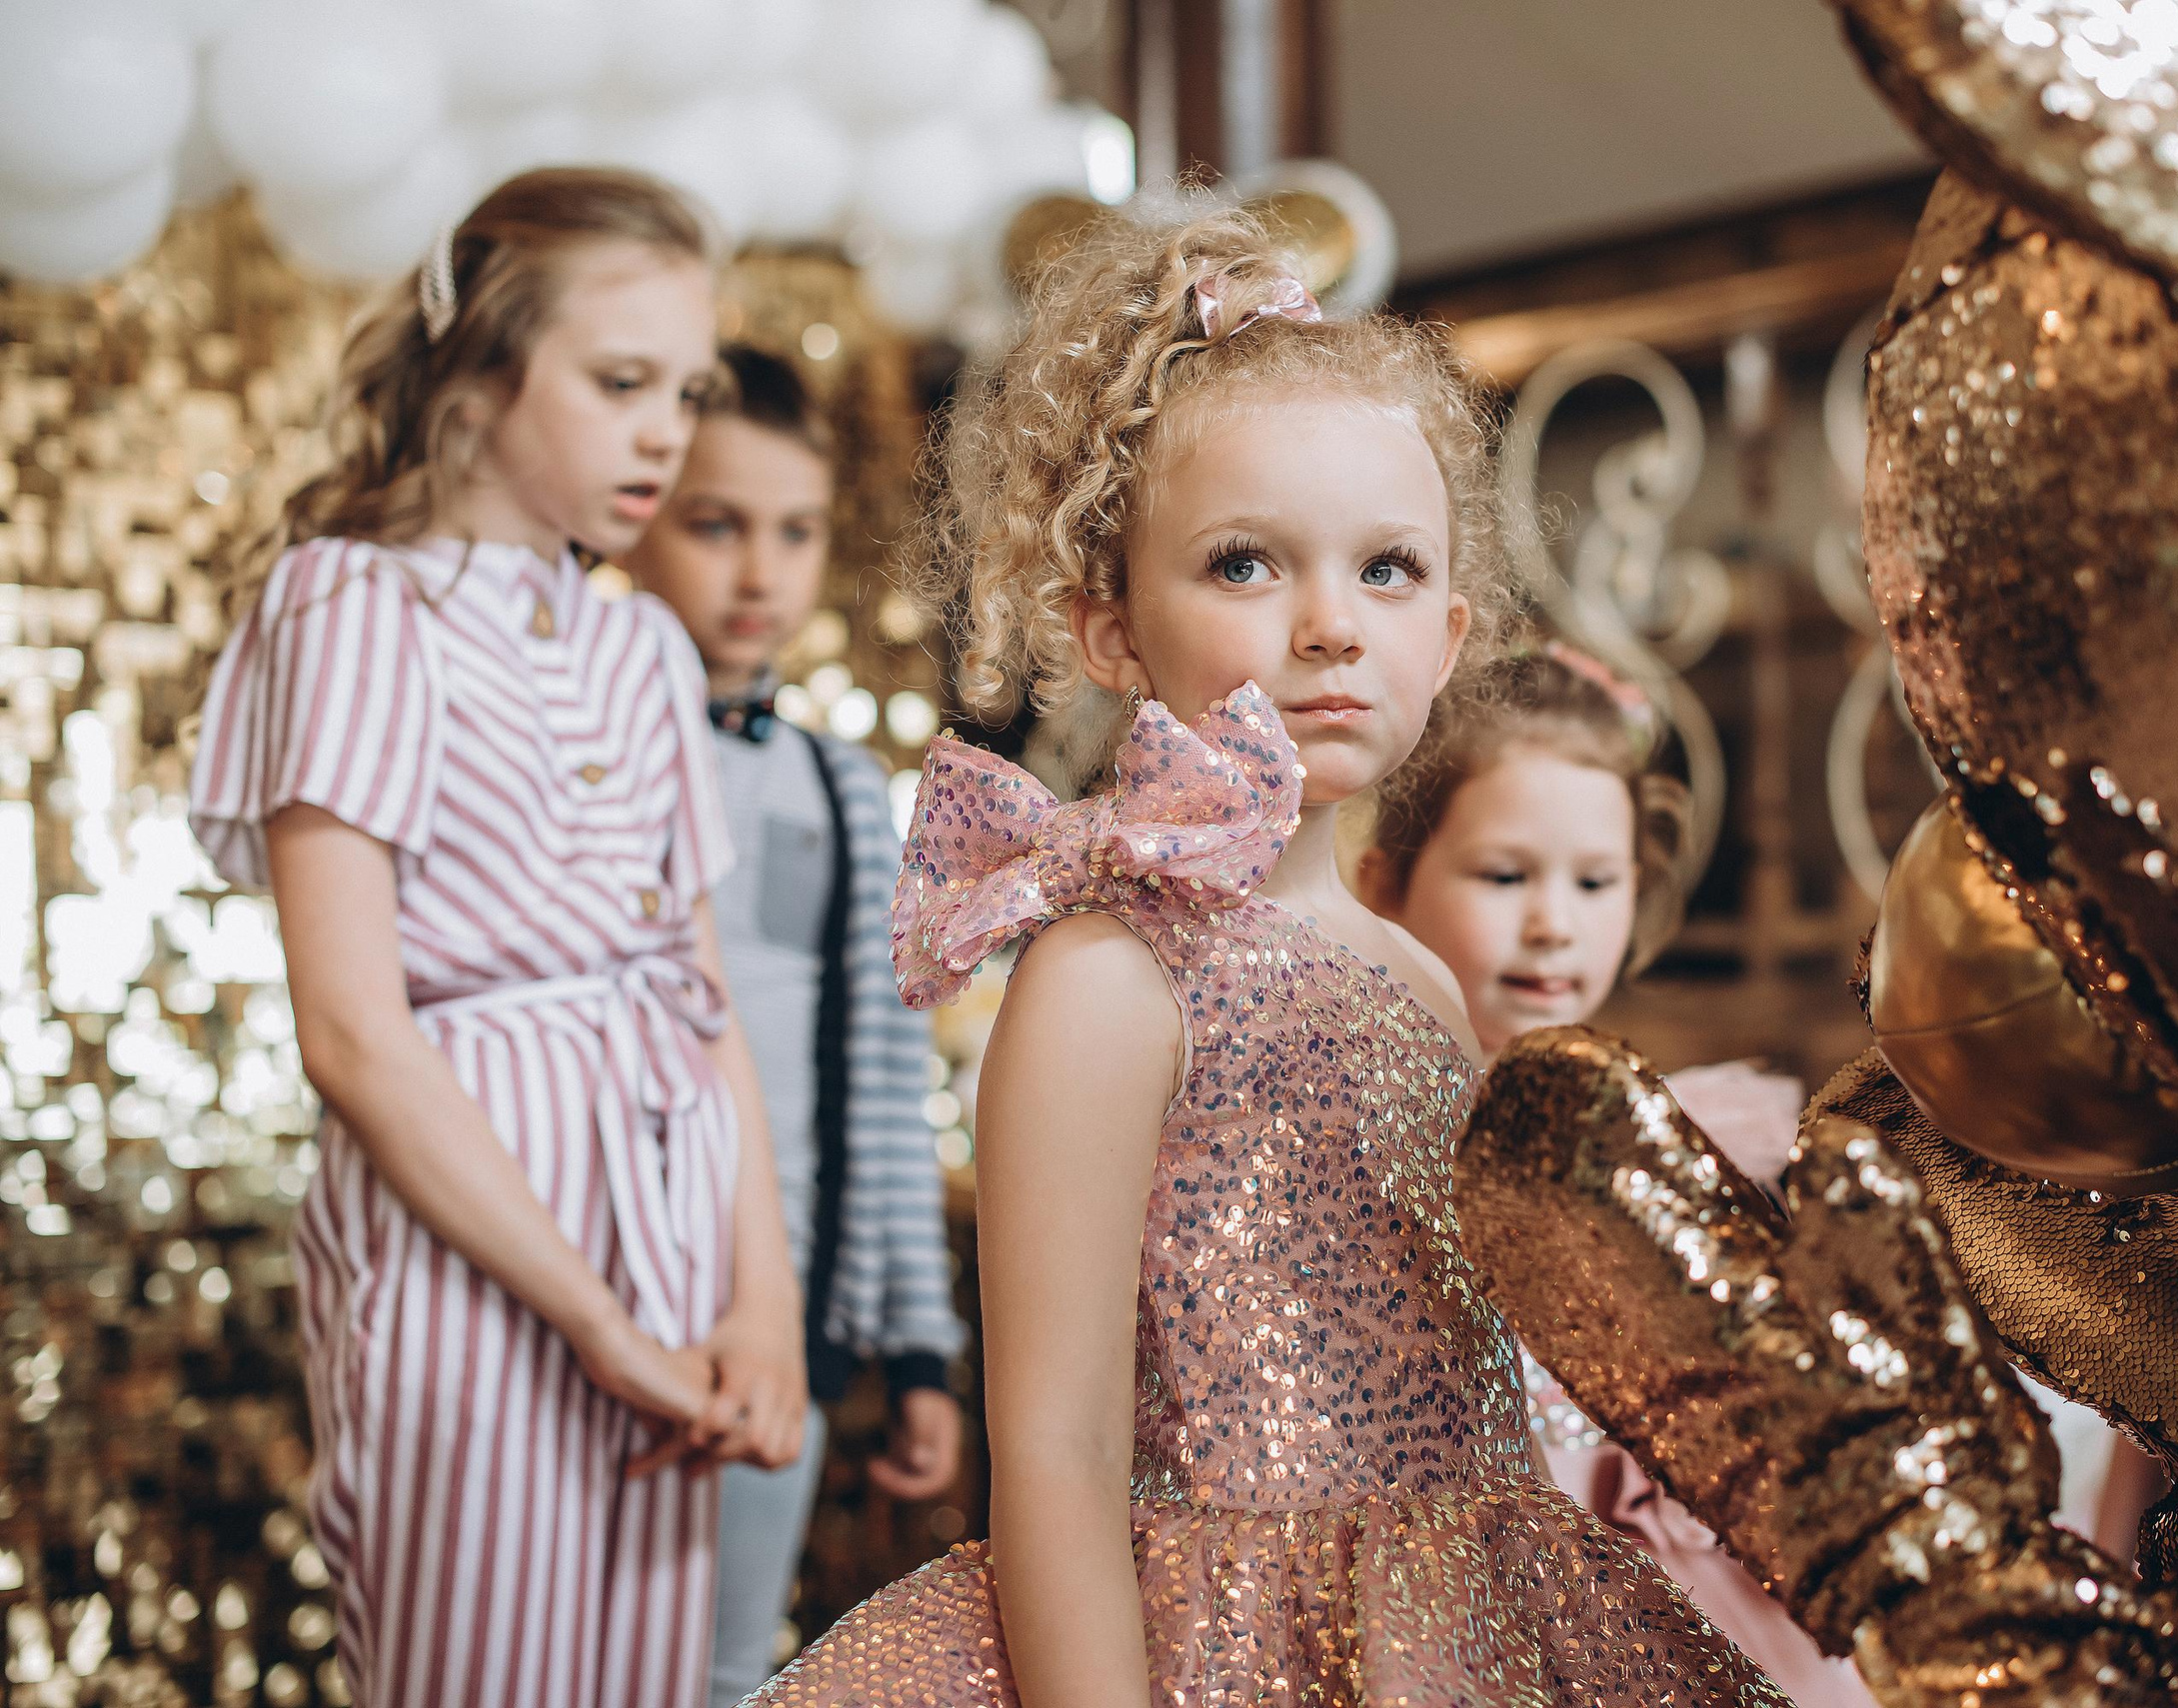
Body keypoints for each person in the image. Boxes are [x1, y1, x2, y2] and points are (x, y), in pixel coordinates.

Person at [749, 209, 1784, 1707]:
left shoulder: (1424, 977)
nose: (1330, 626)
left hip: (1472, 1638)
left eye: (1388, 570)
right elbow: (1055, 1450)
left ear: (1451, 632)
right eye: (1245, 563)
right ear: (1110, 627)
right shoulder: (1111, 977)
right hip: (1218, 1648)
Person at [189, 169, 807, 1708]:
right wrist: (598, 1325)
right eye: (620, 383)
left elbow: (701, 1001)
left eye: (686, 391)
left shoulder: (641, 641)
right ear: (476, 379)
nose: (665, 433)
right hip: (475, 1245)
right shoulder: (352, 605)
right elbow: (352, 1034)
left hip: (670, 1224)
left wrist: (763, 1306)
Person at [1357, 640, 1876, 1708]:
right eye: (1505, 875)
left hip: (1660, 1599)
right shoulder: (1358, 1146)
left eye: (1595, 881)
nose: (1554, 922)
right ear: (1384, 882)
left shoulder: (1680, 1148)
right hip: (1447, 1600)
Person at [621, 343, 968, 1707]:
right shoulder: (584, 757)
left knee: (725, 1673)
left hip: (788, 1319)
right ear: (636, 515)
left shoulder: (838, 787)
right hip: (605, 1297)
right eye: (716, 525)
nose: (759, 571)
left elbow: (881, 1081)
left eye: (796, 531)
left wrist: (918, 1347)